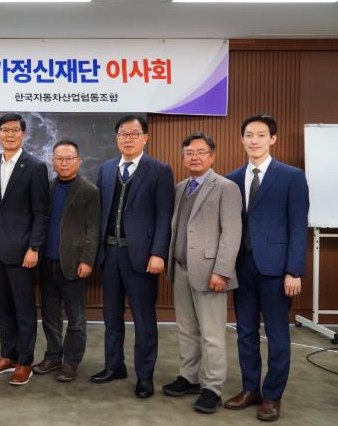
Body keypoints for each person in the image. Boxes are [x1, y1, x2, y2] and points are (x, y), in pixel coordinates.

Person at [224, 114, 309, 421]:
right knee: (245, 331)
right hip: (242, 266)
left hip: (277, 269)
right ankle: (251, 389)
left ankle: (272, 395)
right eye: (249, 135)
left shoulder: (291, 177)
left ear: (273, 139)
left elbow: (298, 226)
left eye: (261, 135)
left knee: (277, 334)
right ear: (242, 139)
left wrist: (294, 271)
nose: (254, 140)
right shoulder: (232, 179)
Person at [91, 115, 174, 398]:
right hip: (110, 253)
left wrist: (158, 253)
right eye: (123, 134)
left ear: (145, 138)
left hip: (141, 256)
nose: (128, 139)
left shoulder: (160, 171)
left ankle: (145, 376)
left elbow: (164, 216)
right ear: (116, 138)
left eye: (134, 134)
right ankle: (114, 366)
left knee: (143, 319)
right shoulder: (106, 169)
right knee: (111, 316)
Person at [162, 133, 242, 414]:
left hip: (210, 273)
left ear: (212, 156)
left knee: (212, 335)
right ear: (183, 157)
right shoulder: (180, 188)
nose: (194, 157)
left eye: (200, 152)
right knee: (186, 329)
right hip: (181, 269)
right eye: (189, 152)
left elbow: (232, 233)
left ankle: (213, 388)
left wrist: (222, 271)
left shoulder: (226, 187)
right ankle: (189, 377)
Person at [0, 113, 49, 386]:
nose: (10, 135)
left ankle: (24, 362)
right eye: (5, 130)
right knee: (2, 308)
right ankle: (7, 356)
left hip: (22, 251)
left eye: (15, 130)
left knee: (24, 309)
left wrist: (34, 247)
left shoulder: (35, 166)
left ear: (24, 134)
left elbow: (41, 213)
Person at [33, 140, 100, 382]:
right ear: (52, 161)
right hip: (47, 263)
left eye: (69, 158)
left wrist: (87, 260)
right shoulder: (47, 188)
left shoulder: (89, 191)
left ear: (78, 161)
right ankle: (53, 356)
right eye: (59, 158)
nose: (64, 163)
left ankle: (71, 362)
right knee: (50, 316)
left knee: (76, 318)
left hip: (74, 264)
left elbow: (93, 229)